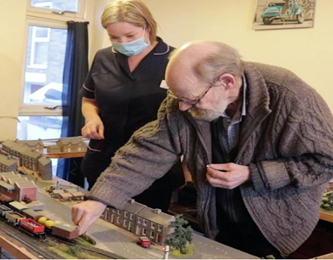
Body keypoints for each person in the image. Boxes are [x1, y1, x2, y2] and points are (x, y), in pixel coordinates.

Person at [72, 40, 333, 258]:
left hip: (277, 225)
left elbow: (326, 160)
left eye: (191, 99)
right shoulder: (184, 98)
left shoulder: (291, 96)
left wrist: (253, 174)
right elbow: (147, 151)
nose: (183, 107)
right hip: (217, 218)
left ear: (227, 82)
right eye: (178, 98)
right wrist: (100, 199)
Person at [80, 0, 184, 212]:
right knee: (98, 225)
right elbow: (89, 100)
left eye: (130, 36)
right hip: (103, 160)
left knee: (144, 232)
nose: (123, 43)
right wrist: (92, 118)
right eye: (114, 38)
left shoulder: (176, 60)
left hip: (152, 165)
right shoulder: (103, 57)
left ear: (147, 26)